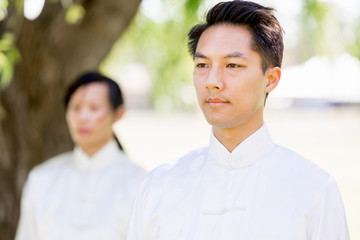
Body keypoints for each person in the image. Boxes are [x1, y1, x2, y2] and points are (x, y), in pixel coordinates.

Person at [127, 1, 349, 239]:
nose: (212, 81)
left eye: (232, 65)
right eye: (202, 65)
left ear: (271, 79)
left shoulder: (313, 189)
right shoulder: (159, 186)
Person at [16, 72, 147, 240]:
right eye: (76, 108)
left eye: (94, 108)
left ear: (118, 114)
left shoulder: (141, 184)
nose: (83, 117)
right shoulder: (41, 179)